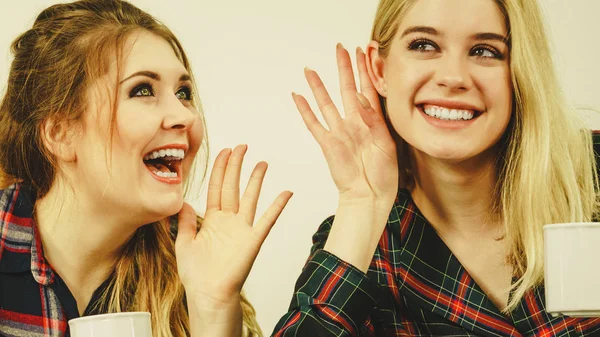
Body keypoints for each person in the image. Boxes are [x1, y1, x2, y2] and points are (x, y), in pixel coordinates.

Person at [273, 0, 600, 335]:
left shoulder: (594, 170)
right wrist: (362, 202)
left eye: (485, 51)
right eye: (424, 45)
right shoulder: (357, 242)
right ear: (380, 70)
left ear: (521, 70)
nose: (453, 78)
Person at [0, 1, 292, 336]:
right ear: (60, 133)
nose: (187, 116)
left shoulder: (196, 262)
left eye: (183, 93)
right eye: (143, 90)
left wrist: (213, 310)